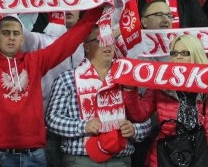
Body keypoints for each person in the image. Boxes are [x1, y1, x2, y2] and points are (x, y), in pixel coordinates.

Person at [0, 5, 104, 166]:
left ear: (23, 39)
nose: (11, 38)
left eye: (16, 34)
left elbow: (68, 42)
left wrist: (97, 8)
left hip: (35, 154)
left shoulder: (35, 61)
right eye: (5, 33)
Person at [123, 35, 208, 167]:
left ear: (196, 55)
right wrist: (129, 89)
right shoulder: (160, 83)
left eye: (184, 53)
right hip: (167, 155)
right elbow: (139, 115)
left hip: (203, 153)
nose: (178, 57)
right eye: (174, 53)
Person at [46, 26, 151, 165]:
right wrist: (83, 126)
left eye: (110, 40)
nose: (107, 45)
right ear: (86, 47)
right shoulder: (67, 79)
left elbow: (146, 119)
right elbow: (52, 119)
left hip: (119, 159)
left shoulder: (127, 78)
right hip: (81, 159)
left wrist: (135, 130)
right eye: (100, 41)